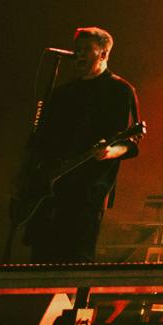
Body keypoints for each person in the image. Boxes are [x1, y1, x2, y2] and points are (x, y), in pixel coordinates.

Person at [19, 26, 142, 262]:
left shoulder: (120, 91)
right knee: (40, 256)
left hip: (87, 192)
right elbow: (42, 140)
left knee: (74, 256)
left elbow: (130, 142)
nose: (79, 54)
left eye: (87, 49)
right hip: (49, 192)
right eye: (77, 49)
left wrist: (108, 153)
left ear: (104, 54)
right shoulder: (63, 94)